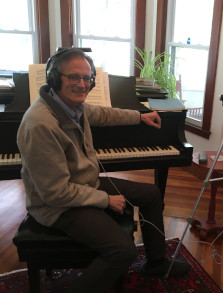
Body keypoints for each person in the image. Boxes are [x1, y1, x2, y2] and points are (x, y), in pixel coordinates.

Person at [17, 48, 189, 293]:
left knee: (151, 194)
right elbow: (54, 193)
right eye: (73, 77)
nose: (82, 84)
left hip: (83, 186)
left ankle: (156, 262)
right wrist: (105, 199)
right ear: (54, 79)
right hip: (57, 208)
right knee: (123, 251)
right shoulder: (40, 125)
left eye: (87, 78)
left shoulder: (70, 106)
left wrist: (140, 117)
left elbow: (103, 113)